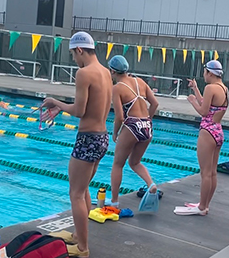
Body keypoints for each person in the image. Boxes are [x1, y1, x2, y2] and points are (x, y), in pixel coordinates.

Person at [45, 31, 112, 258]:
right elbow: (90, 106)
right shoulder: (105, 72)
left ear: (80, 50)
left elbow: (79, 111)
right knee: (83, 191)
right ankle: (78, 237)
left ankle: (83, 248)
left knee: (75, 193)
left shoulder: (84, 73)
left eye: (74, 54)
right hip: (102, 137)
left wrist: (56, 102)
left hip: (87, 139)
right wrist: (61, 107)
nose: (74, 59)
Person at [174, 60, 228, 216]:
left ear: (210, 73)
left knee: (205, 173)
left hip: (207, 131)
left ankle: (201, 207)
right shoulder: (223, 88)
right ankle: (205, 205)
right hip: (218, 131)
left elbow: (204, 112)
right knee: (212, 172)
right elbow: (208, 105)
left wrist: (191, 101)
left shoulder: (210, 88)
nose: (203, 76)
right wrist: (196, 89)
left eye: (204, 72)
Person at [109, 55, 159, 207]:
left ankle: (114, 201)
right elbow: (155, 104)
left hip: (131, 126)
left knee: (118, 164)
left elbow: (119, 117)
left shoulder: (117, 88)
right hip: (147, 126)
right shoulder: (140, 81)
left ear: (112, 71)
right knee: (135, 162)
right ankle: (151, 185)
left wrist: (115, 133)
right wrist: (147, 119)